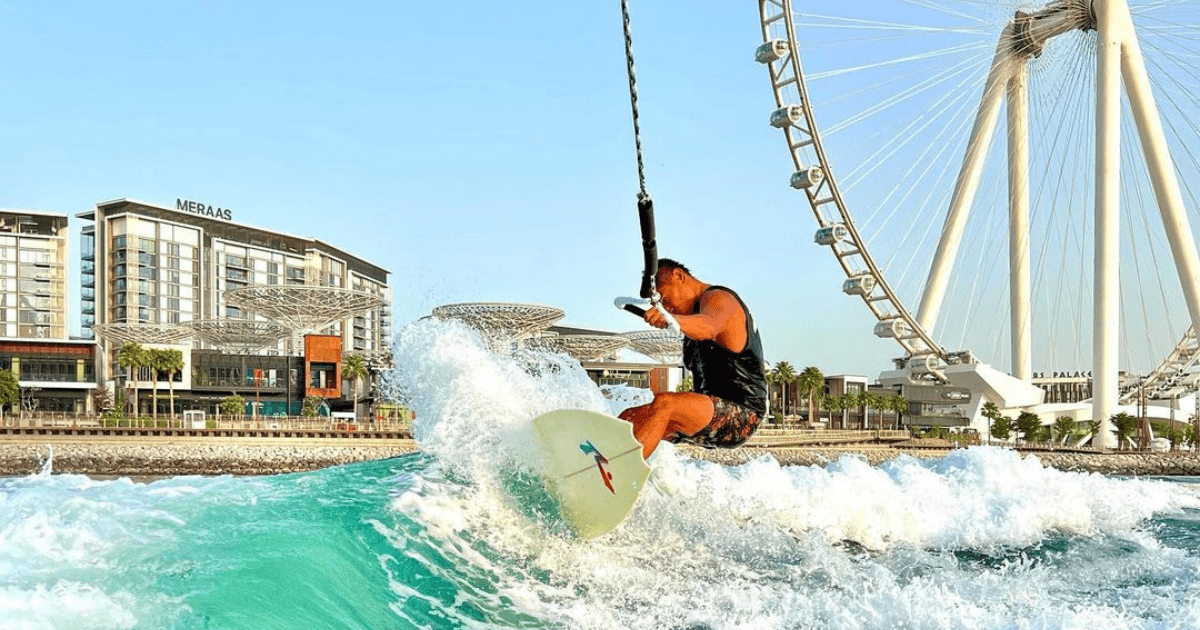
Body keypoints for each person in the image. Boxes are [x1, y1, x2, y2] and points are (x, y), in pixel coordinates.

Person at [619, 258, 767, 459]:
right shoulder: (691, 323)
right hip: (709, 412)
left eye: (663, 298)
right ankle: (598, 467)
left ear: (678, 276)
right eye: (658, 304)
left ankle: (618, 475)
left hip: (742, 415)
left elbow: (708, 326)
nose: (664, 306)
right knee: (629, 419)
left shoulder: (719, 299)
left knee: (666, 403)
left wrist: (671, 318)